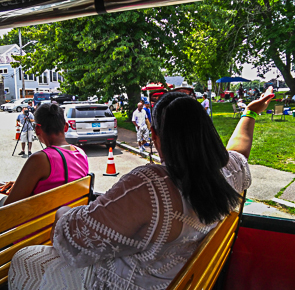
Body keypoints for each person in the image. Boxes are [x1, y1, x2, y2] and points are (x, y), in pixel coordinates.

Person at [8, 89, 275, 290]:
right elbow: (240, 147)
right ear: (207, 133)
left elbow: (71, 241)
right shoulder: (230, 173)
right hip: (182, 276)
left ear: (157, 137)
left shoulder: (152, 186)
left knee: (25, 258)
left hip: (131, 282)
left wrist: (62, 214)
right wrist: (249, 113)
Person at [4, 103, 89, 206]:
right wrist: (20, 185)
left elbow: (10, 206)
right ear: (65, 127)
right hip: (69, 215)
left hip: (44, 220)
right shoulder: (81, 153)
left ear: (37, 129)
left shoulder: (41, 159)